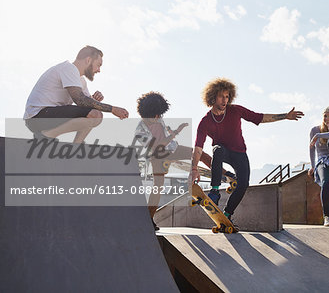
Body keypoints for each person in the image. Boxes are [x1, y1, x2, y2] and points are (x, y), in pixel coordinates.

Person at [191, 77, 304, 224]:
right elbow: (198, 147)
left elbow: (259, 117)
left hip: (239, 153)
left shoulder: (235, 110)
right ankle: (214, 192)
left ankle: (227, 214)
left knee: (244, 183)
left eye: (227, 96)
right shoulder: (205, 121)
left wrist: (285, 116)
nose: (224, 100)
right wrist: (194, 168)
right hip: (223, 152)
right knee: (217, 150)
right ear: (212, 97)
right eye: (221, 97)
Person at [135, 91, 235, 230]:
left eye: (160, 115)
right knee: (157, 186)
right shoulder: (140, 130)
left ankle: (226, 174)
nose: (158, 117)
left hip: (173, 149)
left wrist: (173, 132)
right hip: (158, 156)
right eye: (156, 115)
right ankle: (149, 219)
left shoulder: (158, 118)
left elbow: (165, 133)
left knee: (199, 152)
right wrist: (176, 133)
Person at [24, 45, 128, 143]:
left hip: (50, 115)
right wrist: (112, 109)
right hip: (37, 116)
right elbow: (80, 100)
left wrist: (94, 99)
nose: (99, 70)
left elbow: (87, 104)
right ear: (88, 60)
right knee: (95, 114)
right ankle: (46, 136)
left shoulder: (81, 81)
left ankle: (76, 146)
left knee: (95, 114)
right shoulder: (68, 68)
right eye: (98, 65)